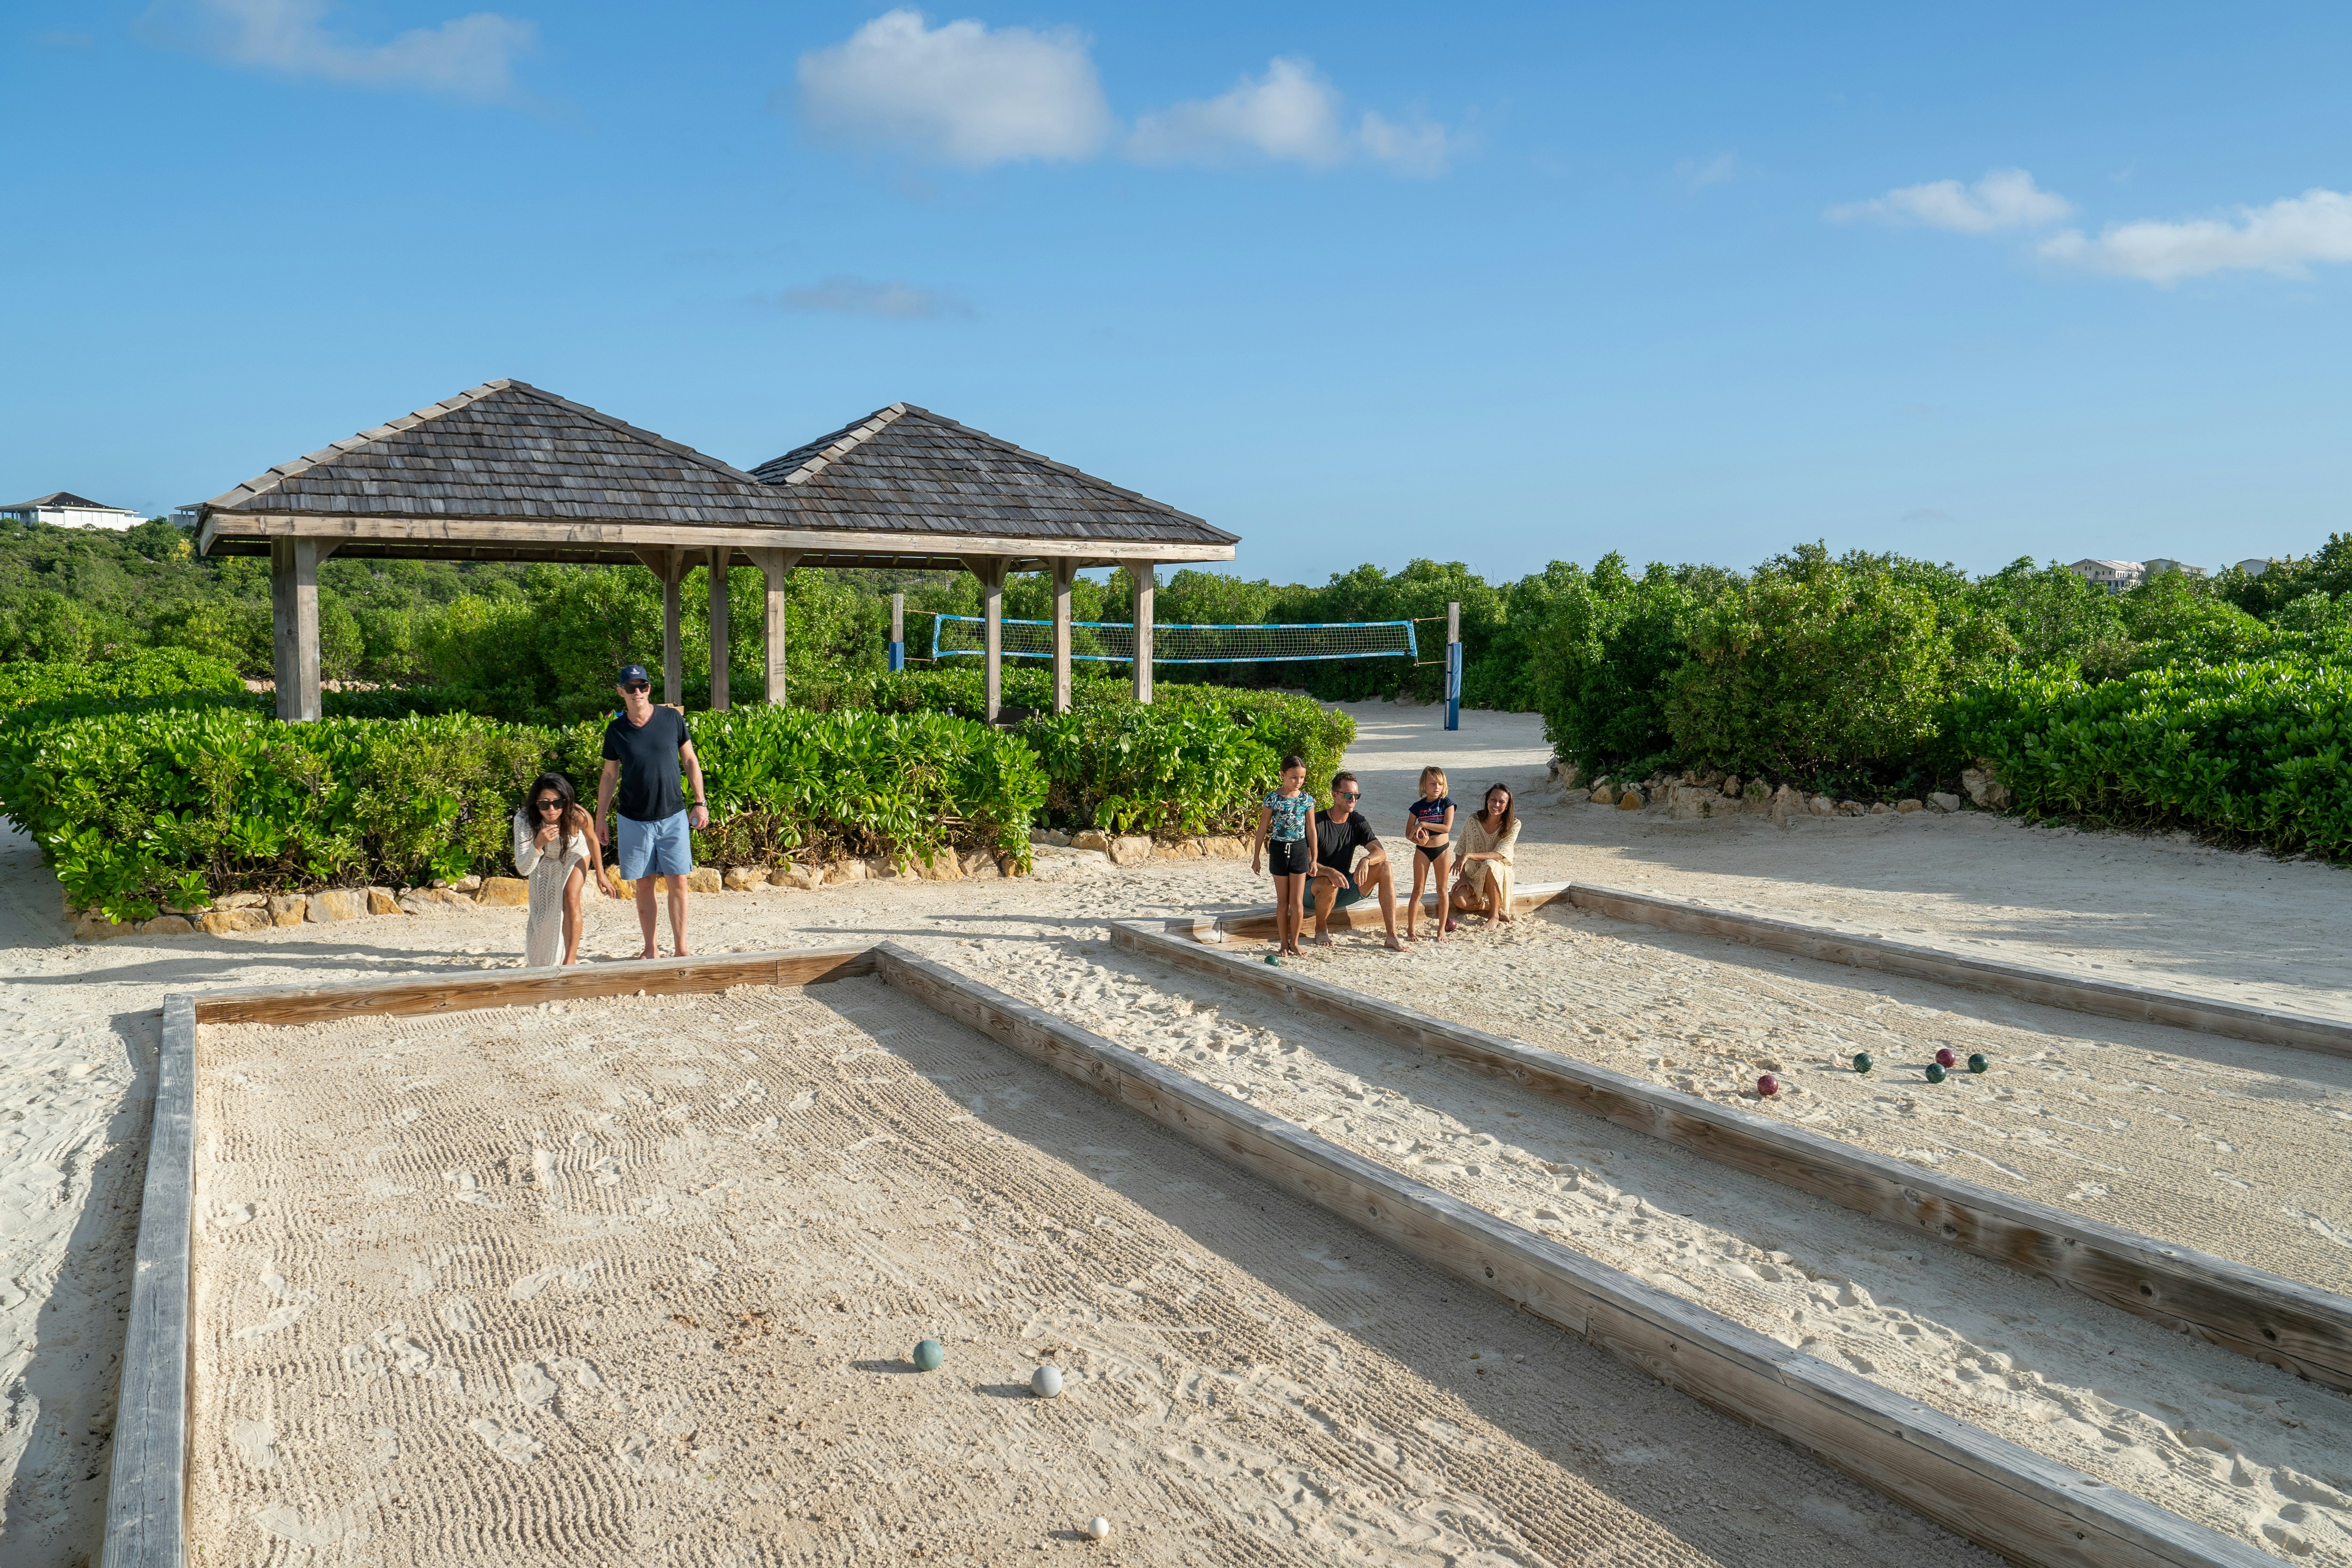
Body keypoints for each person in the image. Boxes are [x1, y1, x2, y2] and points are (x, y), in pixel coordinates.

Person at [594, 663, 709, 960]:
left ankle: (682, 949)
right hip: (633, 818)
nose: (637, 692)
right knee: (644, 885)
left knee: (679, 882)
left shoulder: (672, 719)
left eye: (642, 686)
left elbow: (691, 761)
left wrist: (701, 801)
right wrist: (600, 819)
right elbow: (609, 776)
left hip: (673, 815)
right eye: (630, 688)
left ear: (648, 688)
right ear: (621, 692)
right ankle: (651, 948)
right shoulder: (616, 729)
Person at [1303, 770, 1404, 951]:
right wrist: (1329, 872)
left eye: (1356, 796)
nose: (1353, 800)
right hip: (1312, 889)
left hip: (1343, 886)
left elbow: (1380, 852)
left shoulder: (1357, 821)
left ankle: (1391, 935)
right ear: (1335, 795)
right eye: (1349, 795)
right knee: (1329, 881)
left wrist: (1366, 860)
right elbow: (1308, 862)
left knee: (1384, 867)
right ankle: (1320, 929)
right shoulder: (1317, 822)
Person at [514, 772, 605, 967]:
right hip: (544, 858)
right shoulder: (524, 820)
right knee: (544, 912)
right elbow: (523, 868)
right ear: (535, 803)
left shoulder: (577, 816)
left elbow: (591, 840)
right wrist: (538, 844)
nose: (552, 809)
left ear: (567, 801)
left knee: (570, 898)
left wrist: (601, 875)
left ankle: (569, 960)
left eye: (558, 803)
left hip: (575, 852)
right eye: (544, 804)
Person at [1251, 754, 1313, 958]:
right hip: (1278, 850)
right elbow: (1262, 828)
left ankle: (1295, 943)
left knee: (1297, 902)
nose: (1298, 782)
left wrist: (1314, 858)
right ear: (1283, 775)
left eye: (1302, 778)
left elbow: (1311, 830)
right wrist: (1256, 856)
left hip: (1299, 850)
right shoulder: (1272, 798)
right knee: (1282, 902)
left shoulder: (1306, 800)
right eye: (1294, 777)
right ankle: (1283, 943)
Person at [1450, 782, 1521, 925]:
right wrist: (1463, 877)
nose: (1496, 804)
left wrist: (1469, 856)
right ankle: (1492, 907)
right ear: (1487, 800)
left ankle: (1494, 917)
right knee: (1459, 899)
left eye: (1502, 802)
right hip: (1474, 875)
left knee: (1490, 864)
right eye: (1493, 800)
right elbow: (1461, 848)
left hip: (1499, 873)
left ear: (1507, 806)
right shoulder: (1473, 819)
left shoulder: (1514, 824)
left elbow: (1499, 855)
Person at [1403, 764, 1456, 942]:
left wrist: (1424, 824)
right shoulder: (1417, 807)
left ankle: (1441, 930)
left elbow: (1447, 827)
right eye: (1432, 784)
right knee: (1418, 889)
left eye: (1440, 784)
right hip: (1423, 851)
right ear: (1424, 786)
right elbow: (1408, 833)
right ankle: (1411, 930)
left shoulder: (1446, 803)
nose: (1437, 788)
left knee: (1442, 889)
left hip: (1442, 850)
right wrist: (1418, 839)